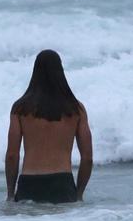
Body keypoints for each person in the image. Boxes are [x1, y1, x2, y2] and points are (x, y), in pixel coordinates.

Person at [5, 49, 93, 203]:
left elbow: (12, 155)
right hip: (62, 185)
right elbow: (87, 158)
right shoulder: (76, 109)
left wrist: (11, 194)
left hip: (29, 184)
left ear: (35, 71)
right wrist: (78, 194)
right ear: (60, 71)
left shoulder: (20, 109)